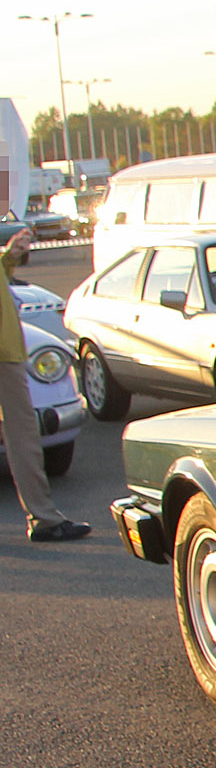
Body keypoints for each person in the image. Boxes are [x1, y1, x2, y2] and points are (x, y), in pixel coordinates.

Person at [1, 227, 89, 541]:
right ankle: (44, 520)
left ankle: (44, 518)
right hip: (4, 354)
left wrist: (10, 256)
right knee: (23, 436)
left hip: (9, 351)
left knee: (24, 436)